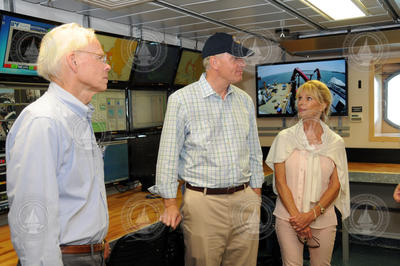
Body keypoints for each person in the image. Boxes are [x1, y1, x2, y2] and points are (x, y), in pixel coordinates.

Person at [149, 32, 264, 266]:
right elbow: (168, 155)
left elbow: (254, 150)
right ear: (214, 62)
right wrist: (170, 203)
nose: (242, 64)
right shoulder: (182, 100)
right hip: (204, 202)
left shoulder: (244, 101)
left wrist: (256, 194)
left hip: (244, 199)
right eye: (236, 59)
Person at [6, 23, 111, 266]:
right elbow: (33, 221)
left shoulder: (76, 118)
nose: (107, 65)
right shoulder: (44, 121)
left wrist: (95, 245)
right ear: (73, 61)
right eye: (99, 57)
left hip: (87, 255)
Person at [266, 80, 350, 266]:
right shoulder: (284, 138)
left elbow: (336, 185)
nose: (301, 103)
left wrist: (311, 215)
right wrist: (299, 219)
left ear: (323, 105)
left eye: (308, 98)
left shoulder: (335, 142)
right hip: (288, 217)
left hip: (323, 218)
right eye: (299, 98)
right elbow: (281, 182)